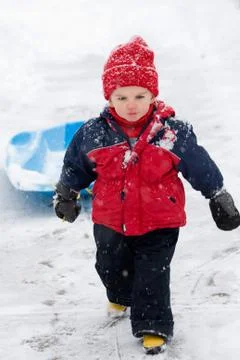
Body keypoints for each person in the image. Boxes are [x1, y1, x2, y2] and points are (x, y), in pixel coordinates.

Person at [54, 36, 240, 355]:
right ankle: (120, 292)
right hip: (110, 218)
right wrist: (67, 193)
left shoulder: (171, 133)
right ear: (109, 98)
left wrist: (217, 195)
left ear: (153, 95)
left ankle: (153, 324)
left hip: (160, 220)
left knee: (152, 274)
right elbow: (76, 165)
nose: (131, 104)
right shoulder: (92, 133)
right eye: (121, 96)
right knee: (110, 263)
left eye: (140, 95)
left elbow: (200, 165)